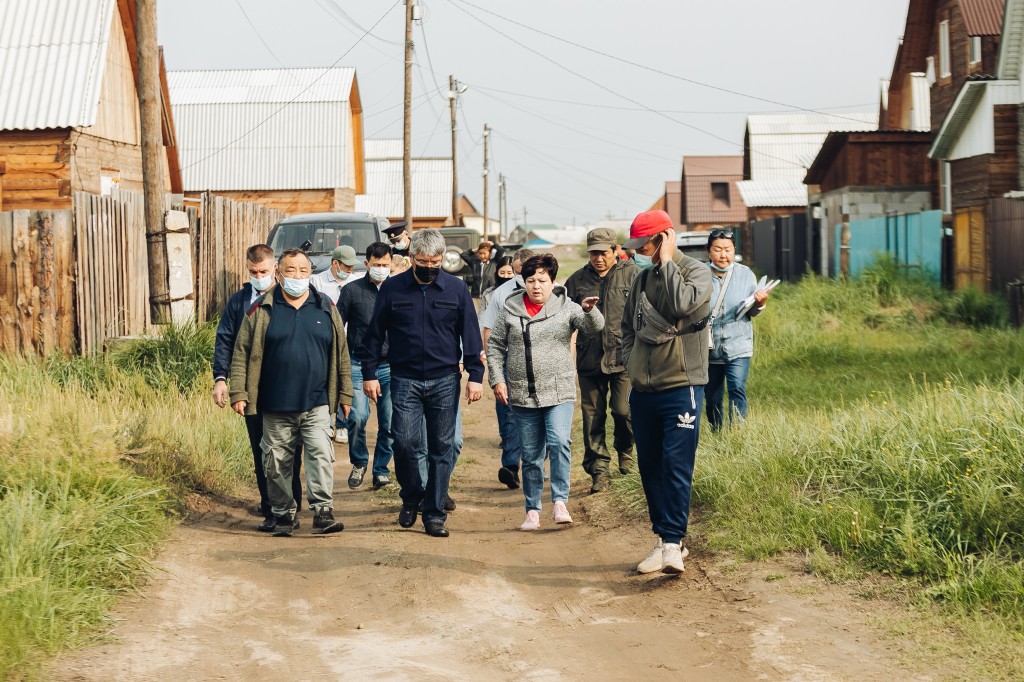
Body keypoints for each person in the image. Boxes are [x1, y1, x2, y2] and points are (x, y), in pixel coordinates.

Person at [360, 228, 484, 537]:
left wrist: (475, 377)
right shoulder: (392, 289)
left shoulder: (456, 289)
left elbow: (469, 334)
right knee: (403, 442)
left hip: (445, 380)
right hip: (405, 379)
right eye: (423, 260)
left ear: (442, 259)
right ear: (411, 257)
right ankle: (412, 495)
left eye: (436, 261)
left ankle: (434, 513)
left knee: (442, 448)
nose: (429, 266)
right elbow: (374, 335)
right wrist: (369, 374)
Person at [229, 248, 354, 537]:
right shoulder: (260, 309)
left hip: (316, 401)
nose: (297, 276)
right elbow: (241, 352)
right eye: (290, 270)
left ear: (310, 273)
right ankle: (284, 515)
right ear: (278, 273)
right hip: (275, 404)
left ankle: (323, 512)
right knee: (276, 462)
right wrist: (238, 391)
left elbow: (342, 354)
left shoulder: (326, 307)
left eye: (303, 270)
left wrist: (345, 395)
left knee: (321, 454)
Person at [621, 210, 712, 574]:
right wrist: (632, 362)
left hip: (682, 386)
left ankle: (674, 543)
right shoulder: (642, 280)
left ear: (664, 240)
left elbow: (681, 305)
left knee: (676, 466)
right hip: (644, 388)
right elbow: (627, 327)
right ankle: (662, 539)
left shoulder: (696, 272)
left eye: (644, 245)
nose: (637, 253)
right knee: (650, 468)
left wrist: (669, 261)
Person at [488, 254, 603, 531]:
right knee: (530, 455)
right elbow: (494, 347)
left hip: (558, 389)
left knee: (560, 441)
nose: (536, 286)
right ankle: (532, 510)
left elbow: (593, 328)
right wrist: (497, 379)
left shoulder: (567, 307)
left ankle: (560, 502)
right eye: (530, 280)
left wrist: (589, 311)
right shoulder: (510, 309)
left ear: (553, 282)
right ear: (523, 282)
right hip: (523, 393)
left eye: (542, 280)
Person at [212, 244, 302, 532]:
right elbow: (225, 340)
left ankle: (292, 506)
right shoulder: (239, 302)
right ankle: (271, 508)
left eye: (264, 271)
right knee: (263, 452)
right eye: (253, 272)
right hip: (253, 390)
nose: (259, 276)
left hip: (287, 389)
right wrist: (221, 379)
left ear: (274, 268)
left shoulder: (289, 298)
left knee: (290, 452)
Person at [565, 228, 639, 493]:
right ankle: (599, 472)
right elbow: (566, 319)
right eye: (593, 253)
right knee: (593, 417)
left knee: (623, 411)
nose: (598, 258)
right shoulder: (576, 281)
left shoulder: (633, 275)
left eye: (603, 253)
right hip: (589, 359)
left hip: (624, 358)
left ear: (615, 250)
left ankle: (626, 454)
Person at [336, 241, 394, 490]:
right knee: (357, 417)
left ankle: (381, 470)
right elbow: (337, 327)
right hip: (357, 364)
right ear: (366, 263)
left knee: (389, 422)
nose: (381, 268)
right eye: (376, 264)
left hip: (391, 366)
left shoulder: (398, 290)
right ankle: (359, 462)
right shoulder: (351, 291)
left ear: (391, 264)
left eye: (385, 265)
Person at [480, 248, 535, 488]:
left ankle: (535, 461)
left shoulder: (551, 290)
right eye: (517, 272)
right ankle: (511, 466)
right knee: (512, 412)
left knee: (538, 412)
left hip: (540, 362)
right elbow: (489, 330)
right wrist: (494, 369)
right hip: (510, 361)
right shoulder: (501, 294)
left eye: (525, 272)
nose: (521, 277)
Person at [704, 229, 770, 429]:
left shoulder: (745, 274)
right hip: (708, 348)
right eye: (718, 250)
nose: (723, 255)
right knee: (712, 397)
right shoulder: (699, 275)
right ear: (708, 251)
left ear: (734, 250)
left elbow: (752, 313)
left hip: (738, 346)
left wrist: (760, 304)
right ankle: (717, 432)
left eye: (728, 249)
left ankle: (737, 435)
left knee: (737, 388)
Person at [480, 256, 515, 335]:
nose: (505, 276)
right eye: (502, 273)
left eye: (509, 273)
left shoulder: (521, 292)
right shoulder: (489, 293)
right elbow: (481, 318)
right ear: (497, 273)